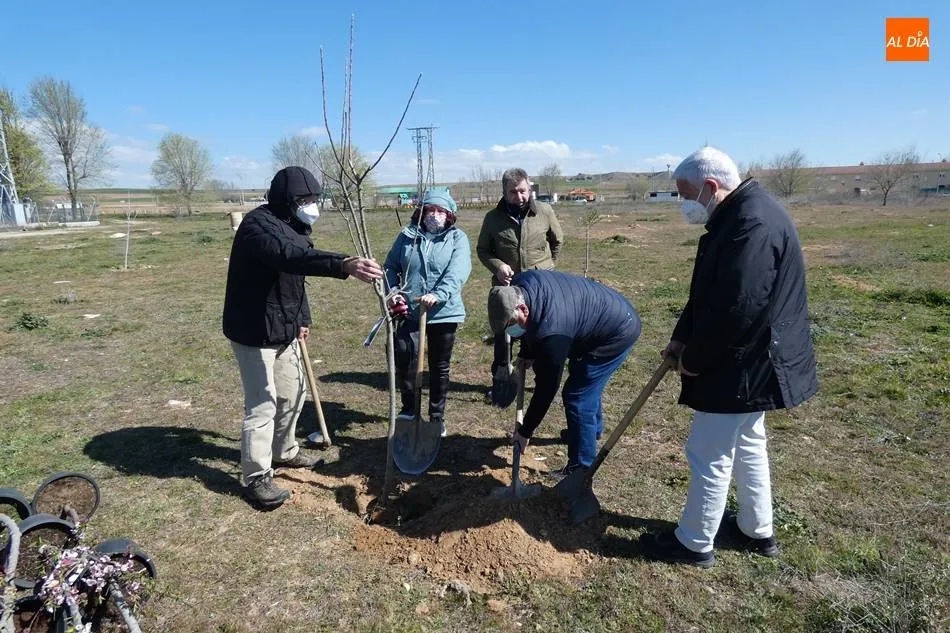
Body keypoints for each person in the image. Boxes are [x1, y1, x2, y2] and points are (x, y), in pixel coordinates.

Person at [639, 146, 819, 568]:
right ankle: (757, 529)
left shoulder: (752, 224)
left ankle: (694, 542)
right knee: (749, 442)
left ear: (710, 186)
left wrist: (697, 358)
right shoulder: (738, 216)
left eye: (686, 195)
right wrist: (682, 337)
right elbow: (711, 291)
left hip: (744, 361)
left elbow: (737, 307)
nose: (684, 204)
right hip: (753, 357)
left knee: (709, 450)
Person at [223, 166, 383, 510]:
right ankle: (256, 477)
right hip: (253, 329)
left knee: (294, 392)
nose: (312, 205)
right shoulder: (257, 227)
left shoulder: (295, 226)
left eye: (315, 198)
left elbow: (295, 278)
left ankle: (284, 451)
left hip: (284, 324)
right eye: (305, 199)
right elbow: (291, 258)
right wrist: (344, 264)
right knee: (262, 404)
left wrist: (303, 319)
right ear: (286, 200)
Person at [487, 270, 641, 473]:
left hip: (616, 331)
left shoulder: (554, 333)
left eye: (512, 325)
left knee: (578, 395)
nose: (511, 332)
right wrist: (527, 352)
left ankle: (580, 469)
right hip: (591, 315)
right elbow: (533, 321)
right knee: (583, 381)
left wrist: (525, 431)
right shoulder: (519, 286)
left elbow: (547, 388)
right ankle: (589, 432)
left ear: (523, 308)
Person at [385, 189, 472, 435]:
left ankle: (436, 416)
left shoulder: (457, 239)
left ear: (449, 214)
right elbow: (390, 266)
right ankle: (409, 409)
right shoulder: (407, 236)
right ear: (421, 212)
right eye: (430, 210)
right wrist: (394, 292)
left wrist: (439, 294)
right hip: (410, 310)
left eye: (440, 210)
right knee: (406, 358)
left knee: (439, 365)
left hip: (444, 311)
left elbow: (459, 271)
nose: (434, 215)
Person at [477, 168, 563, 380]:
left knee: (540, 334)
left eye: (523, 191)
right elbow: (483, 250)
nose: (519, 196)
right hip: (508, 288)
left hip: (541, 287)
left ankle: (541, 382)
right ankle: (501, 380)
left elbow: (557, 240)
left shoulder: (544, 211)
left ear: (529, 188)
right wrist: (498, 266)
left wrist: (547, 267)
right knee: (504, 336)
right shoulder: (492, 218)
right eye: (513, 192)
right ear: (504, 192)